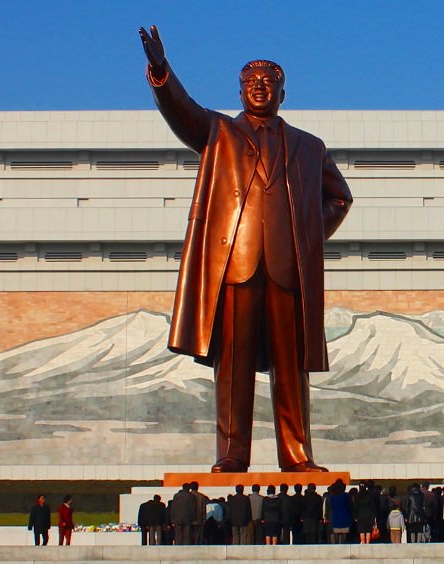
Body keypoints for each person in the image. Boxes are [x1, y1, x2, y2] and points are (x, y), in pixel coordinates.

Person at [138, 25, 353, 474]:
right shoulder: (217, 133)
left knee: (291, 367)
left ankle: (297, 454)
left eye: (268, 84)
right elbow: (181, 110)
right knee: (232, 366)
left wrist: (308, 236)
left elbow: (339, 198)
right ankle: (232, 453)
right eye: (251, 83)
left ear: (282, 93)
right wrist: (161, 71)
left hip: (287, 268)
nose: (260, 89)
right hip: (234, 264)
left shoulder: (309, 147)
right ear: (239, 91)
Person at [325, 480, 353, 544]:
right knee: (343, 535)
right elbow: (350, 507)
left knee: (334, 534)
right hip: (345, 517)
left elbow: (329, 507)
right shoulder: (346, 496)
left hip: (334, 517)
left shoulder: (331, 496)